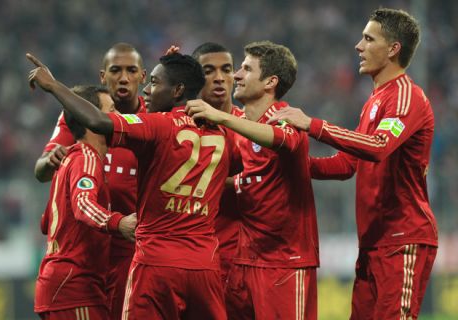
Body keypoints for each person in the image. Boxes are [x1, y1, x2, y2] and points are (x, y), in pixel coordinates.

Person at [27, 52, 242, 320]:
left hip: (156, 263)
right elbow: (244, 167)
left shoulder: (157, 125)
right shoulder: (223, 132)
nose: (147, 90)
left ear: (176, 90)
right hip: (205, 266)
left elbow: (99, 122)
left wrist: (53, 85)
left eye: (154, 82)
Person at [270, 8, 438, 319]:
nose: (358, 47)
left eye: (368, 39)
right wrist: (293, 166)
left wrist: (312, 124)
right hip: (374, 242)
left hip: (402, 239)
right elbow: (347, 164)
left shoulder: (406, 97)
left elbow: (378, 147)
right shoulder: (375, 101)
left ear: (393, 49)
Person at [187, 40, 319, 320]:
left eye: (242, 69)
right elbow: (248, 181)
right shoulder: (224, 125)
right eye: (210, 71)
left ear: (270, 81)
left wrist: (222, 117)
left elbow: (284, 141)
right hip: (237, 262)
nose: (232, 76)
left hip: (282, 262)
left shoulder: (281, 118)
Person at [33, 42, 146, 319]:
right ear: (102, 76)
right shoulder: (85, 151)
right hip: (81, 271)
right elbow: (76, 199)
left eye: (131, 70)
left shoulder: (153, 119)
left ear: (143, 76)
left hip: (125, 257)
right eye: (116, 70)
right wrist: (50, 162)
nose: (123, 77)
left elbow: (46, 221)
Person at [191, 42, 244, 287]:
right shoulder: (178, 126)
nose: (220, 78)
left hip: (238, 256)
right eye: (209, 71)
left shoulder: (252, 125)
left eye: (226, 69)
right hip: (191, 255)